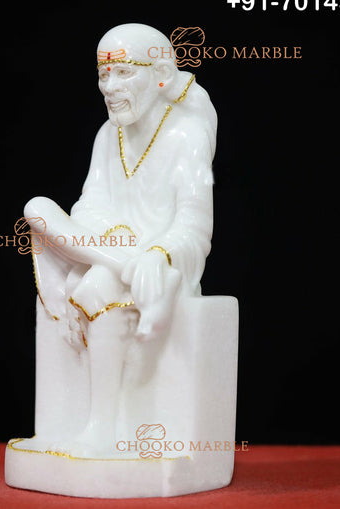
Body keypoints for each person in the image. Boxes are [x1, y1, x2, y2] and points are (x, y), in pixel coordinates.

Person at [25, 23, 217, 453]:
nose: (110, 87)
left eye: (124, 72)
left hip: (158, 260)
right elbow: (87, 207)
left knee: (97, 284)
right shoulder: (106, 135)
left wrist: (158, 254)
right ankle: (121, 266)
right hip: (113, 250)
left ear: (161, 75)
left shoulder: (186, 134)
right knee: (37, 208)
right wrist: (115, 241)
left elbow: (195, 226)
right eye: (103, 75)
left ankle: (102, 430)